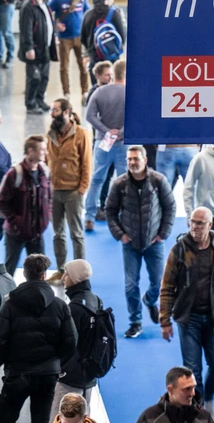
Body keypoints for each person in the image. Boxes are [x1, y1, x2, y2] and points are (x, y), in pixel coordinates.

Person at [0, 253, 77, 423]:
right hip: (46, 377)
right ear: (44, 275)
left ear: (25, 273)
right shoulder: (59, 305)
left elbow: (1, 341)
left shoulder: (9, 304)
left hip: (17, 376)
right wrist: (56, 364)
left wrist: (8, 364)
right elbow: (71, 341)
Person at [160, 207, 214, 406]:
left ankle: (208, 396)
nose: (194, 226)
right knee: (192, 369)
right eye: (192, 222)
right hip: (188, 319)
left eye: (199, 223)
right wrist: (164, 321)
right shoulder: (179, 250)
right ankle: (199, 407)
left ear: (210, 225)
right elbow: (167, 285)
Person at [106, 145, 176, 339]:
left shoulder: (158, 181)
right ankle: (135, 322)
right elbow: (110, 211)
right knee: (130, 285)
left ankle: (150, 301)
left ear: (145, 160)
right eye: (129, 159)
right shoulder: (119, 184)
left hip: (155, 243)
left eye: (136, 159)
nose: (132, 163)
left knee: (159, 283)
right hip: (130, 244)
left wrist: (163, 233)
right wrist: (120, 235)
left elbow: (170, 207)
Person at [50, 261, 103, 416]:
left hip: (71, 377)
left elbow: (65, 342)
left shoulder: (75, 308)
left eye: (67, 273)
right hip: (88, 373)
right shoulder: (96, 300)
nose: (64, 278)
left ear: (76, 277)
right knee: (82, 421)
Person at [47, 98, 92, 273]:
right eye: (52, 110)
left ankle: (80, 272)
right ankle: (61, 271)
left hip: (73, 191)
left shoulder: (81, 134)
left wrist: (82, 189)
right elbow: (47, 160)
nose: (52, 114)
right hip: (54, 191)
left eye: (55, 110)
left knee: (76, 234)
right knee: (58, 234)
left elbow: (87, 163)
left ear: (66, 112)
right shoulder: (51, 134)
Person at [82, 58, 125, 233]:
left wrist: (106, 131)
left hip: (102, 141)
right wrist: (120, 132)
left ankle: (89, 217)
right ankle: (124, 217)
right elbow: (136, 119)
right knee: (125, 181)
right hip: (123, 143)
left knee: (97, 179)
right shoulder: (131, 93)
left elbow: (89, 116)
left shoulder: (99, 92)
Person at [0, 135, 52, 275]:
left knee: (41, 272)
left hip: (37, 233)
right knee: (9, 271)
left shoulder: (45, 172)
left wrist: (46, 218)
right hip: (15, 234)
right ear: (30, 151)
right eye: (41, 150)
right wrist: (15, 221)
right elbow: (2, 201)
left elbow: (50, 197)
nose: (45, 152)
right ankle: (5, 296)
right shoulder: (14, 174)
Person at [19, 0, 56, 114]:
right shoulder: (28, 6)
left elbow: (48, 22)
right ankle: (31, 104)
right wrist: (29, 48)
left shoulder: (44, 4)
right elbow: (26, 30)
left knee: (44, 76)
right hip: (34, 48)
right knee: (34, 77)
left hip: (45, 47)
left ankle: (39, 100)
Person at [79, 0, 126, 90]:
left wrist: (91, 50)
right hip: (112, 58)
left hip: (95, 59)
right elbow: (122, 36)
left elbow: (82, 37)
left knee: (97, 88)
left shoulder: (88, 15)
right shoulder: (114, 14)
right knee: (113, 87)